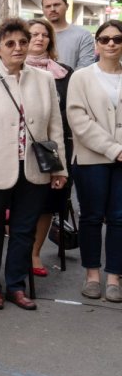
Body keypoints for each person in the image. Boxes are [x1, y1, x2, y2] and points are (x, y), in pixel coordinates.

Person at [0, 18, 68, 311]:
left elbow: (54, 128)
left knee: (24, 230)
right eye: (10, 43)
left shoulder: (44, 80)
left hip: (33, 167)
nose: (18, 48)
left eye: (23, 42)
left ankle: (16, 286)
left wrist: (59, 169)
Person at [65, 20, 122, 302]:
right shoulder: (81, 77)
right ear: (97, 44)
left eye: (117, 39)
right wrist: (114, 149)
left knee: (119, 219)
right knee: (90, 217)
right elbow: (78, 120)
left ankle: (114, 277)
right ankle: (92, 275)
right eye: (105, 39)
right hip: (91, 158)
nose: (111, 43)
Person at [24, 18, 74, 277]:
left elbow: (69, 111)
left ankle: (34, 253)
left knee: (47, 204)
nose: (39, 39)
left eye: (44, 35)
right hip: (18, 148)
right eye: (33, 34)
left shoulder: (64, 73)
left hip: (52, 147)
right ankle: (18, 251)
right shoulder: (11, 68)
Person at [42, 0, 95, 70]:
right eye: (48, 6)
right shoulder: (34, 35)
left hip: (72, 81)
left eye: (56, 5)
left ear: (67, 6)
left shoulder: (83, 35)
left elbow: (85, 66)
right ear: (43, 9)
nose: (52, 9)